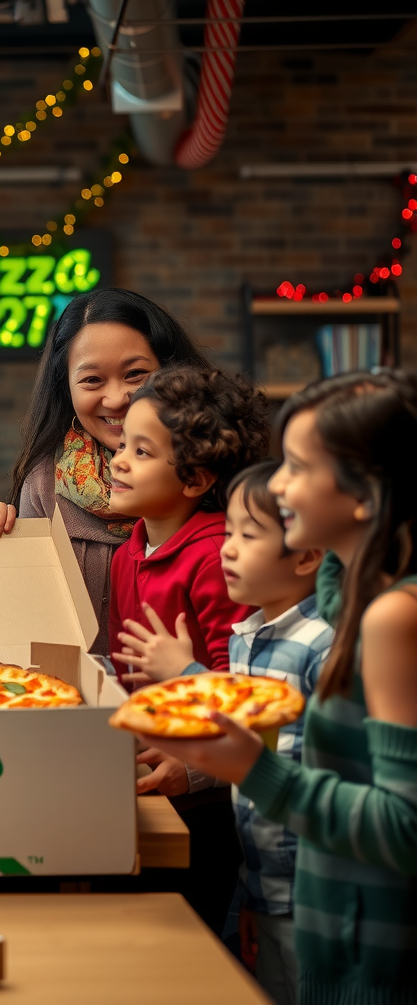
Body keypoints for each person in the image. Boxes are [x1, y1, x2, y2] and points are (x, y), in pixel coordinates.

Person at [136, 370, 417, 1005]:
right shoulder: (342, 600)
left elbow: (404, 827)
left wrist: (255, 769)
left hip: (371, 953)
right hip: (323, 923)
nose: (278, 482)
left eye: (297, 465)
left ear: (366, 496)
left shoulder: (394, 615)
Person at [123, 460, 331, 1005]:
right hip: (261, 878)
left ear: (308, 555)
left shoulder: (322, 646)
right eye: (229, 532)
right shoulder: (248, 636)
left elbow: (303, 766)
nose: (227, 549)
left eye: (248, 536)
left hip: (318, 895)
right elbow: (247, 751)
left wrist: (186, 675)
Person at [0, 288, 212, 653]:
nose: (117, 398)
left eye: (136, 374)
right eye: (92, 380)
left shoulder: (218, 473)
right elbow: (22, 615)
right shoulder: (45, 484)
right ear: (67, 389)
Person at [106, 364, 270, 935]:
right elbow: (129, 672)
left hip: (210, 805)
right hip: (150, 783)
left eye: (142, 451)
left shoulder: (217, 555)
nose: (119, 459)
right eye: (122, 443)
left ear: (196, 479)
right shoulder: (129, 552)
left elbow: (244, 685)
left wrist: (193, 769)